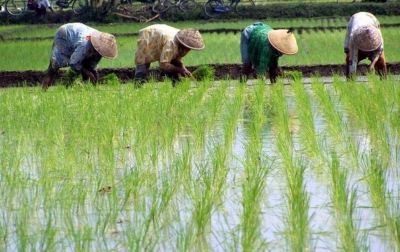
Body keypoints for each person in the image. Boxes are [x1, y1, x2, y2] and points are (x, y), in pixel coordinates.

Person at [42, 23, 118, 91]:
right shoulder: (84, 43)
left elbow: (93, 65)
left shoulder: (99, 51)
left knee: (86, 67)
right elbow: (73, 62)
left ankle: (84, 90)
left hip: (77, 36)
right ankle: (43, 92)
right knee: (54, 66)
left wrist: (94, 76)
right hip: (65, 35)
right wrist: (89, 74)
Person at [134, 24, 205, 85]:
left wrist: (182, 68)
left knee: (173, 70)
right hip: (149, 36)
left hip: (162, 38)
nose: (188, 50)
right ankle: (137, 89)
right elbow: (164, 63)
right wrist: (178, 70)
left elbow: (176, 59)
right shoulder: (171, 43)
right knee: (142, 67)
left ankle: (177, 88)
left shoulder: (184, 46)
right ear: (183, 44)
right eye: (188, 47)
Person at [344, 12, 387, 79]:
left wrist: (372, 64)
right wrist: (352, 75)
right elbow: (353, 59)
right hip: (355, 19)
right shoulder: (354, 37)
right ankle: (350, 83)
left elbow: (378, 52)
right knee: (349, 58)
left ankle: (385, 82)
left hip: (371, 19)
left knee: (381, 60)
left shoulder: (378, 37)